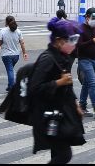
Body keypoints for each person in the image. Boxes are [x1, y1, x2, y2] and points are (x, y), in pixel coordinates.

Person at [29, 17, 85, 164]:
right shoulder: (47, 59)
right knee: (64, 155)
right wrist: (58, 82)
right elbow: (34, 88)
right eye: (71, 40)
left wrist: (75, 104)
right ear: (59, 40)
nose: (74, 44)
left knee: (58, 152)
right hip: (49, 116)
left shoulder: (62, 57)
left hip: (60, 114)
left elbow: (67, 85)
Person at [76, 8, 95, 119]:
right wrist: (92, 41)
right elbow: (78, 45)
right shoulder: (80, 29)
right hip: (84, 60)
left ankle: (82, 106)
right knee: (92, 83)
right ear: (87, 17)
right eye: (93, 18)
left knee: (87, 83)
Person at [0, 16, 27, 92]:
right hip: (16, 56)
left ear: (6, 22)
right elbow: (22, 43)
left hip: (6, 55)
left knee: (10, 70)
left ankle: (12, 87)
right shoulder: (18, 31)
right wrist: (24, 53)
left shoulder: (2, 31)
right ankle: (9, 86)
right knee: (11, 70)